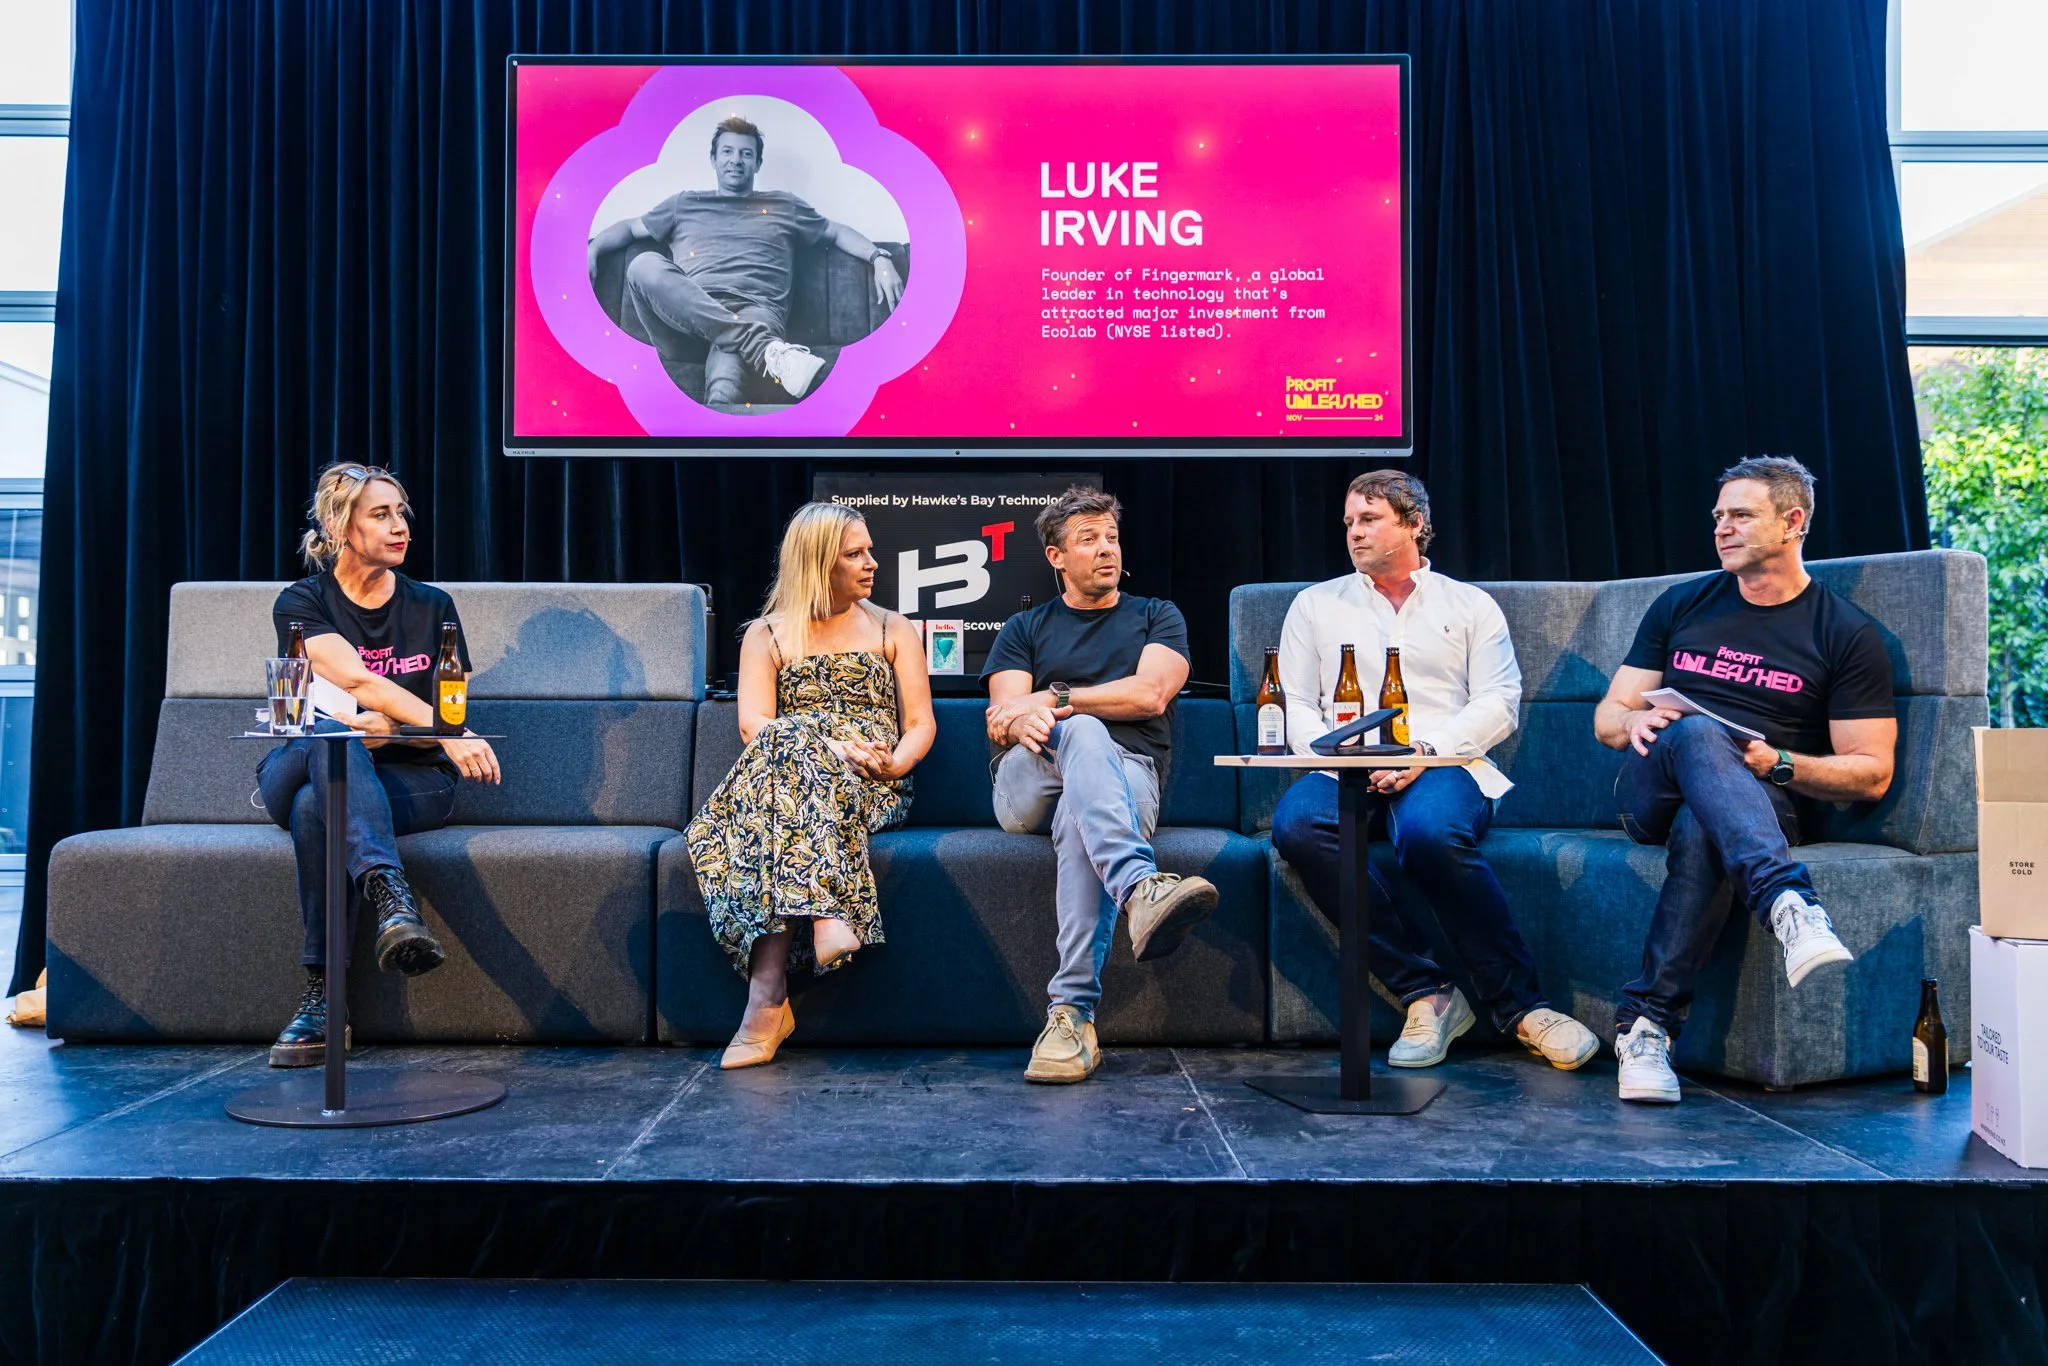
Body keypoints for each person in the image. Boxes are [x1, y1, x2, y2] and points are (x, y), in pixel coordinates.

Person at [1271, 471, 1599, 1073]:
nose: (1354, 533)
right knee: (1297, 826)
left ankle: (1523, 1007)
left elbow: (1499, 701)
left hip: (1447, 761)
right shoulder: (1316, 605)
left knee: (1429, 835)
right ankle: (1427, 993)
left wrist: (1422, 751)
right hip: (1345, 763)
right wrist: (1336, 758)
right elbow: (1296, 701)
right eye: (1348, 522)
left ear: (1415, 523)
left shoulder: (1468, 604)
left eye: (1369, 519)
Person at [1595, 456, 1896, 1104]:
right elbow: (1607, 716)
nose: (1721, 528)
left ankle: (1645, 1029)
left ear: (1792, 522)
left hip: (1761, 799)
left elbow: (1871, 772)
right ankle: (1790, 902)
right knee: (1701, 732)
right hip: (1653, 784)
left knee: (1704, 826)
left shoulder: (1845, 634)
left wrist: (1776, 763)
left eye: (1740, 515)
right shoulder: (1683, 603)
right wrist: (1638, 723)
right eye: (1718, 517)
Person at [260, 463, 503, 1067]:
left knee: (322, 804)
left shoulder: (434, 607)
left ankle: (322, 1001)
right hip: (296, 759)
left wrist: (401, 729)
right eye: (381, 514)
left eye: (402, 514)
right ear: (340, 526)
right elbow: (351, 677)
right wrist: (446, 732)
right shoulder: (301, 602)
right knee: (330, 734)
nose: (401, 528)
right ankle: (391, 897)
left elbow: (451, 701)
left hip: (410, 778)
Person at [982, 485, 1220, 1084]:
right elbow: (1001, 716)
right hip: (1029, 781)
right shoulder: (1023, 628)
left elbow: (1151, 695)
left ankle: (1069, 1018)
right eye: (1088, 539)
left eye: (1111, 537)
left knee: (1081, 818)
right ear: (1056, 556)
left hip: (1126, 776)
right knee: (1081, 733)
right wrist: (1031, 714)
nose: (1106, 549)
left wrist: (1055, 698)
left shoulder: (1156, 616)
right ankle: (1141, 888)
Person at [686, 503, 935, 1070]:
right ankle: (825, 913)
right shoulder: (767, 635)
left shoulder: (891, 627)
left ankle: (767, 1001)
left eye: (869, 550)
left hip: (871, 783)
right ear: (818, 563)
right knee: (790, 742)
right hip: (791, 776)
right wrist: (830, 746)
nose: (872, 563)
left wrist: (895, 762)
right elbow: (755, 728)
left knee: (774, 799)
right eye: (855, 554)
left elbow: (921, 722)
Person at [586, 114, 906, 407]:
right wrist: (592, 249)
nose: (735, 161)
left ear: (757, 163)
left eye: (745, 154)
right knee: (643, 265)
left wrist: (878, 257)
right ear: (714, 159)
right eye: (727, 152)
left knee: (724, 386)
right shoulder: (684, 204)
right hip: (682, 322)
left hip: (755, 310)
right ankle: (765, 350)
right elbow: (629, 228)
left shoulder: (785, 205)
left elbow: (834, 232)